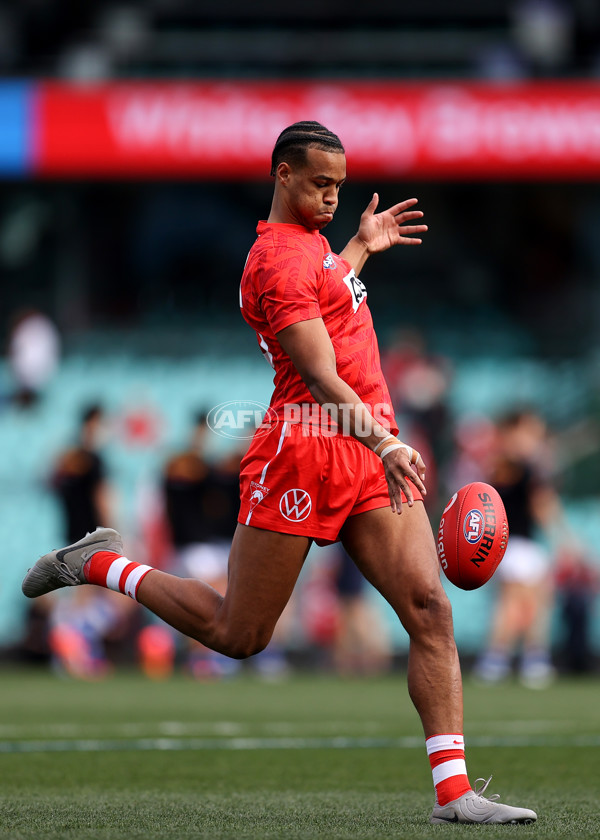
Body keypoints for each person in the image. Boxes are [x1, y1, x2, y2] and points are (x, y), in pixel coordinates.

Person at [22, 121, 536, 825]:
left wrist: (357, 246)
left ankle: (454, 793)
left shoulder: (317, 251)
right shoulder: (276, 263)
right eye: (320, 183)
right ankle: (101, 564)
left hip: (361, 446)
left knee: (430, 610)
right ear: (282, 174)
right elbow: (320, 374)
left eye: (339, 186)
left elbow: (329, 304)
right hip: (307, 449)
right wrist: (388, 444)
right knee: (240, 634)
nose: (331, 197)